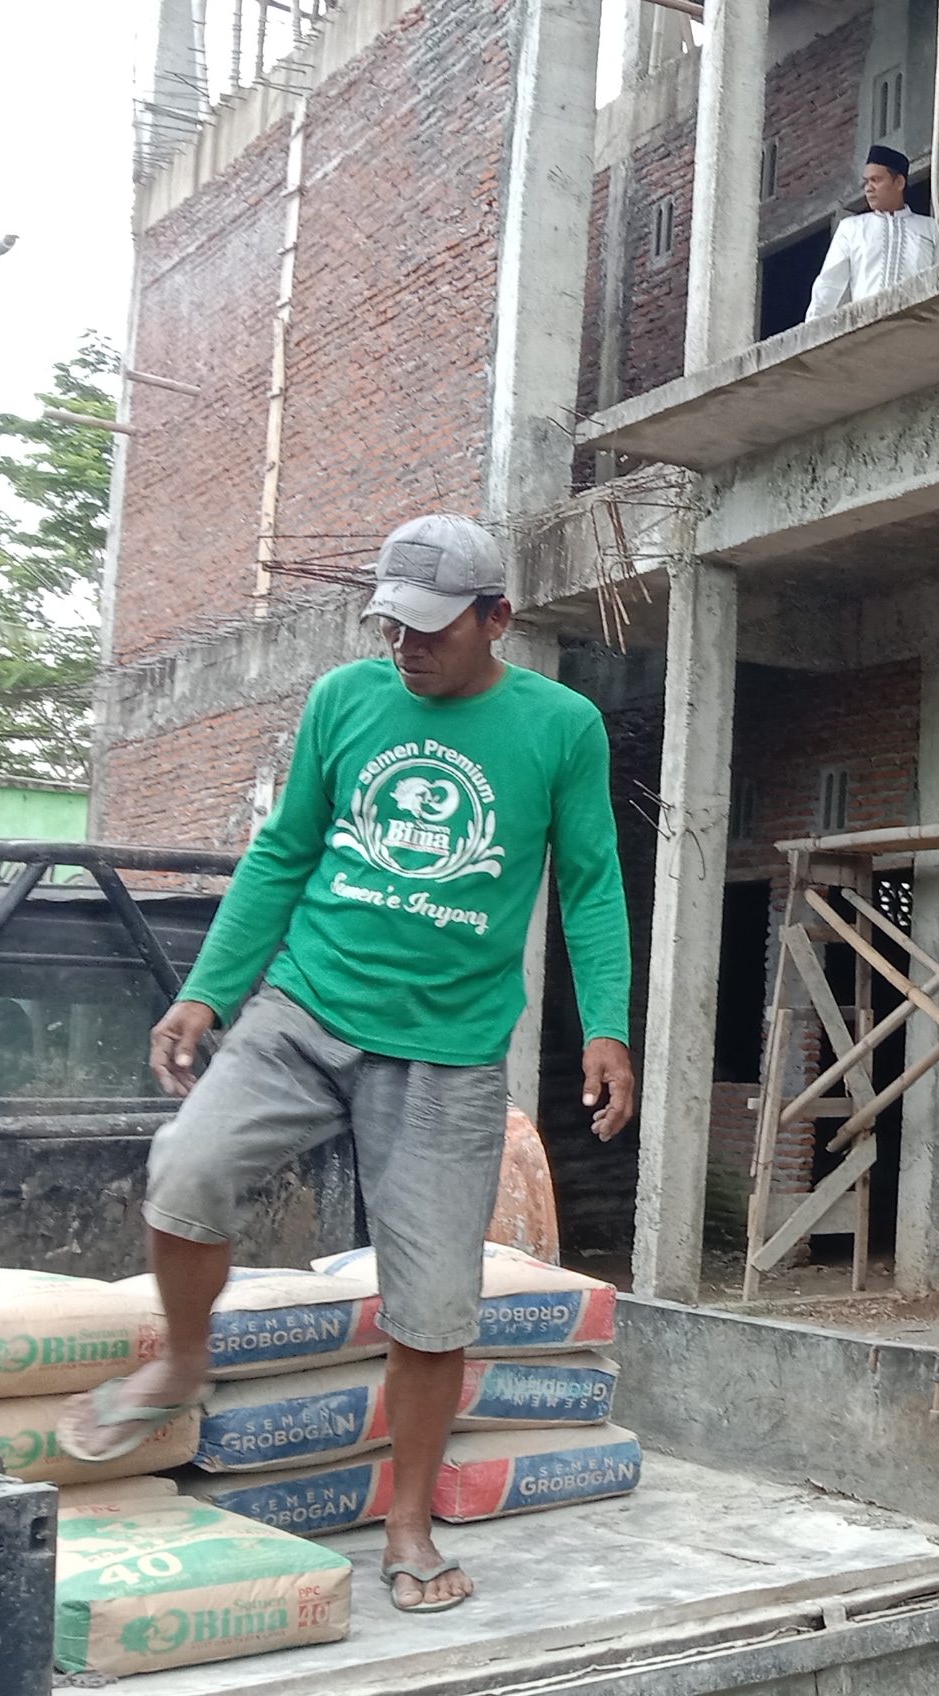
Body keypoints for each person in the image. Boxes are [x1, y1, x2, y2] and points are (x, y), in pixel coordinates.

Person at [58, 514, 638, 1617]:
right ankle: (184, 1357)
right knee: (187, 1168)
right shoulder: (343, 701)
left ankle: (408, 1518)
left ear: (495, 618)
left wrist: (606, 1025)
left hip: (451, 1050)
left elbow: (593, 883)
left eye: (429, 629)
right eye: (390, 625)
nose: (404, 647)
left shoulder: (559, 726)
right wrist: (207, 990)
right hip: (306, 1009)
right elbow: (283, 852)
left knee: (432, 1305)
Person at [803, 145, 939, 322]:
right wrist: (812, 329)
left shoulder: (930, 228)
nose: (869, 188)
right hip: (867, 330)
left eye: (876, 180)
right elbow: (829, 284)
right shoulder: (851, 228)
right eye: (866, 181)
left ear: (899, 183)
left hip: (916, 328)